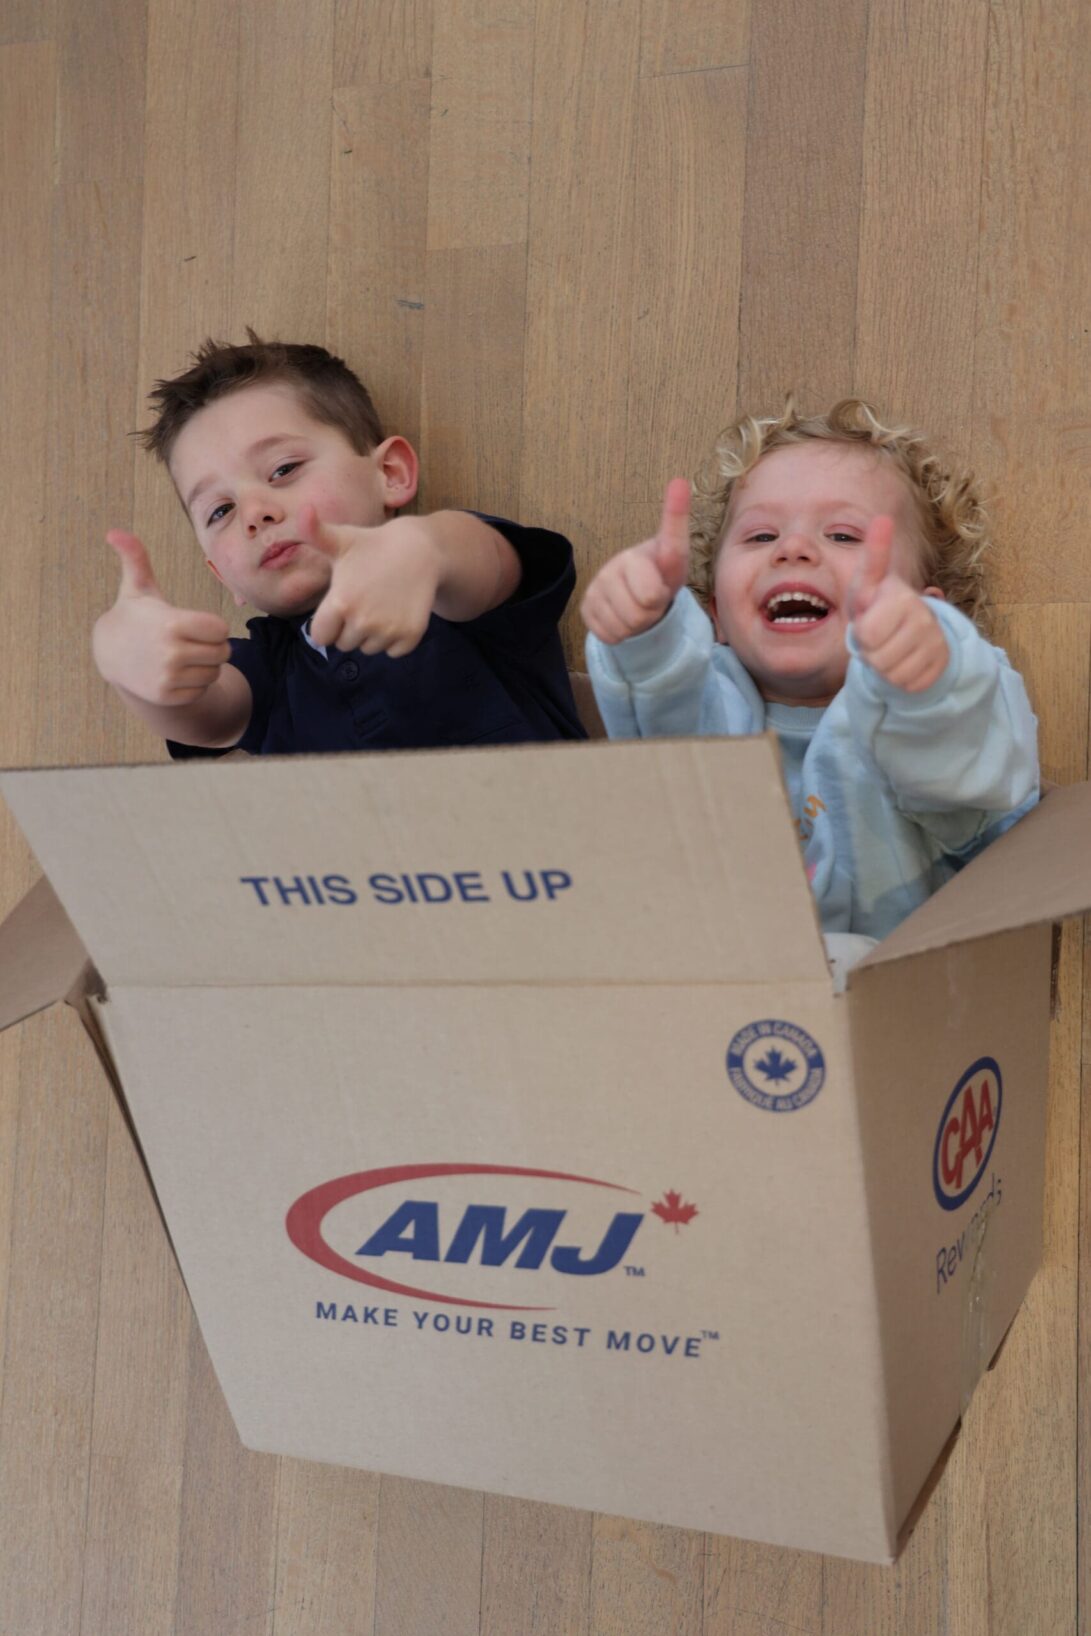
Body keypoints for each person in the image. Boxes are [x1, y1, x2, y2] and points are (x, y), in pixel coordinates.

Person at [581, 398, 1038, 948]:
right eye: (760, 536)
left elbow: (970, 764)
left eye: (843, 535)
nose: (793, 548)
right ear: (714, 616)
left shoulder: (936, 722)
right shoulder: (708, 708)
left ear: (924, 606)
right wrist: (646, 632)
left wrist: (931, 671)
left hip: (900, 988)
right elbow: (661, 717)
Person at [93, 335, 585, 756]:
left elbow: (483, 562)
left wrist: (424, 549)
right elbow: (207, 714)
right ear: (223, 577)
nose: (254, 513)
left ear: (389, 474)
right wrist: (130, 664)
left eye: (283, 469)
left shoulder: (446, 586)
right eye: (220, 511)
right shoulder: (270, 669)